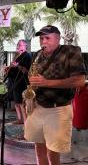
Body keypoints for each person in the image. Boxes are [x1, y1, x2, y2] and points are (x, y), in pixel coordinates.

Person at [24, 25, 86, 165]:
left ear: (58, 39)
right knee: (38, 147)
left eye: (47, 38)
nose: (43, 42)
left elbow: (80, 80)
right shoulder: (37, 55)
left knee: (53, 152)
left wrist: (46, 82)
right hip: (37, 107)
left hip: (58, 110)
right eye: (41, 38)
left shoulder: (71, 51)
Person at [5, 39, 32, 124]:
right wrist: (9, 68)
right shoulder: (17, 55)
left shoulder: (27, 56)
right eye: (18, 44)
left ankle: (25, 121)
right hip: (14, 81)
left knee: (21, 103)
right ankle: (20, 119)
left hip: (21, 82)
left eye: (20, 45)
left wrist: (18, 66)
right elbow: (14, 67)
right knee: (16, 102)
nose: (18, 46)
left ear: (25, 46)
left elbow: (27, 71)